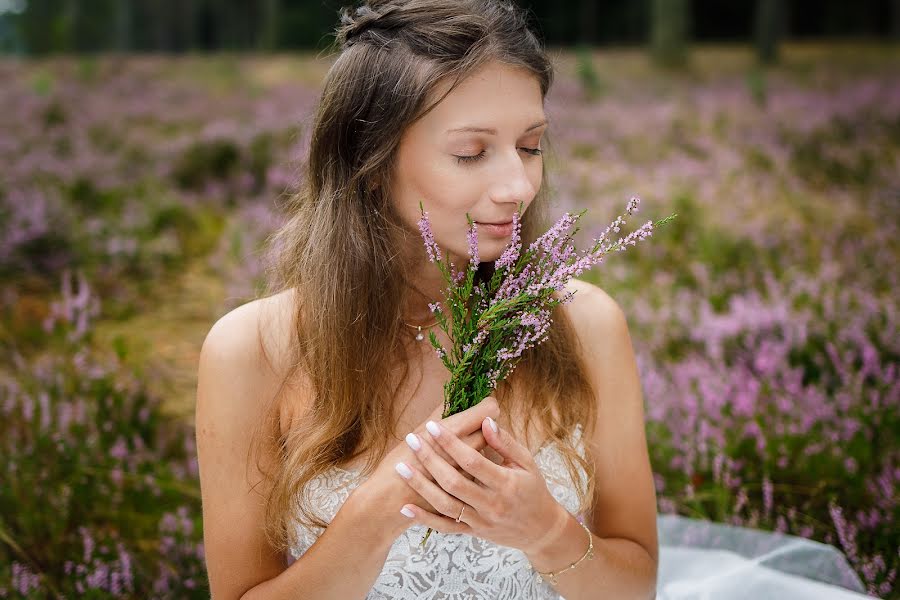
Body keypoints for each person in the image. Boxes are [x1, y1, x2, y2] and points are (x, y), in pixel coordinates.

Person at [195, 1, 869, 599]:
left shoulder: (584, 323)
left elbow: (635, 587)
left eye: (531, 145)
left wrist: (544, 530)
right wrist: (373, 517)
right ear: (370, 162)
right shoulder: (254, 351)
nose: (518, 185)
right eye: (471, 153)